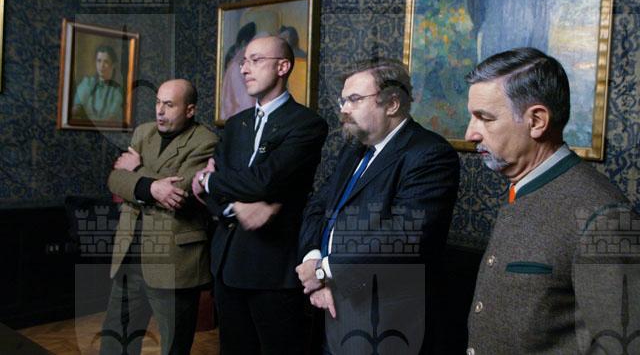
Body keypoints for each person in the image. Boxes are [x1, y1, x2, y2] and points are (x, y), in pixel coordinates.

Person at [464, 48, 636, 354]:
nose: (470, 134)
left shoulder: (604, 215)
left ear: (537, 121)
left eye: (484, 118)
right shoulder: (522, 187)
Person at [296, 58, 460, 354]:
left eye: (355, 99)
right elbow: (317, 207)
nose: (344, 109)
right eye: (343, 101)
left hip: (383, 319)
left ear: (392, 103)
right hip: (330, 305)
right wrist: (312, 259)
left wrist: (325, 270)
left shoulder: (430, 154)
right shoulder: (354, 149)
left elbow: (405, 236)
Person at [192, 36, 328, 355]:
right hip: (227, 263)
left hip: (273, 267)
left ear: (283, 67)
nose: (244, 69)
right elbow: (216, 191)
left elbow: (264, 181)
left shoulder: (307, 124)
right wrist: (233, 204)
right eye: (243, 62)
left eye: (255, 60)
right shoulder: (234, 125)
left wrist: (209, 180)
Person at [101, 79, 217, 355]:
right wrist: (153, 187)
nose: (160, 111)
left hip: (174, 261)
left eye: (169, 105)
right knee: (115, 342)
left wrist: (137, 170)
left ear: (190, 110)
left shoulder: (206, 141)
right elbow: (115, 179)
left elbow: (180, 193)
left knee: (174, 346)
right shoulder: (143, 132)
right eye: (157, 103)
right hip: (130, 255)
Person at [72, 45, 124, 121]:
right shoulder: (87, 83)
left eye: (106, 62)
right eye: (99, 61)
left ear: (113, 65)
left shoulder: (117, 90)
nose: (101, 65)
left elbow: (112, 117)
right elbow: (77, 108)